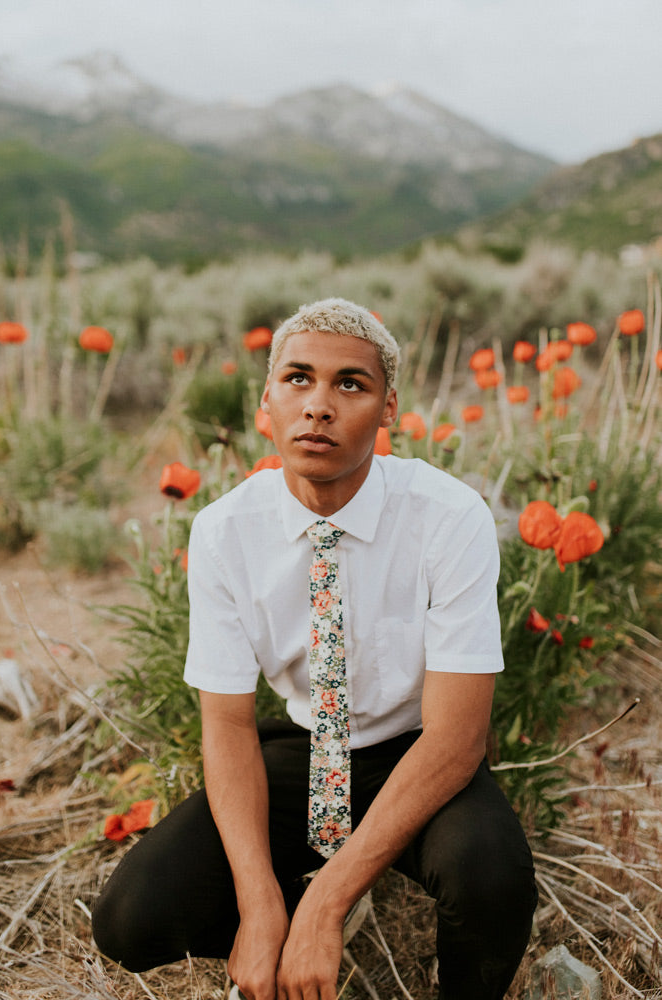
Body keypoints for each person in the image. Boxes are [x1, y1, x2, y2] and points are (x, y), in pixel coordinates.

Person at [92, 298, 538, 1000]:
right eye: (298, 379)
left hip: (413, 748)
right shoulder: (223, 531)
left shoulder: (448, 516)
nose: (318, 406)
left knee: (491, 877)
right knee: (128, 920)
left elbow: (458, 738)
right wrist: (262, 903)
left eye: (350, 385)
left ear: (388, 408)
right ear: (266, 399)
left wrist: (328, 899)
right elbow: (228, 722)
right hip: (300, 750)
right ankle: (293, 916)